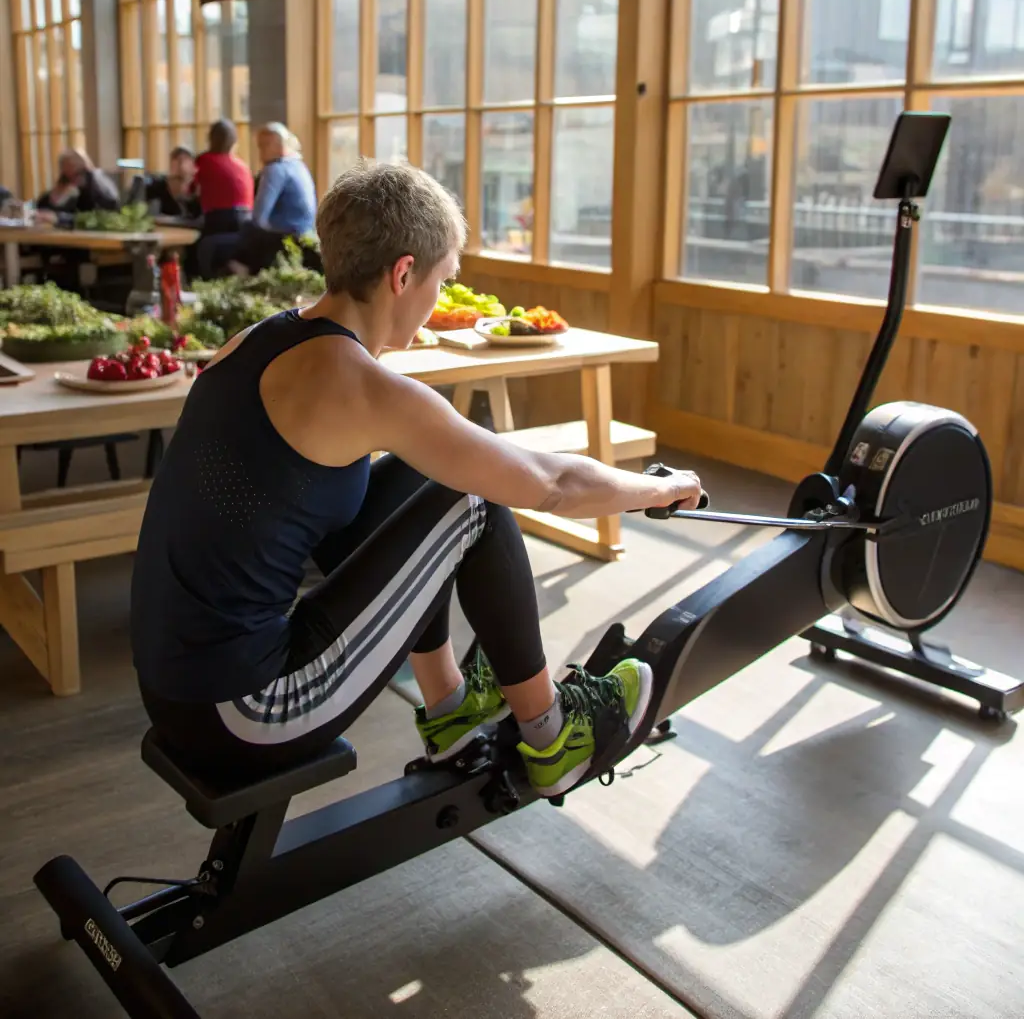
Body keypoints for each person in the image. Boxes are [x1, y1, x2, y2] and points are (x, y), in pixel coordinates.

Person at [130, 160, 702, 800]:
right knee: (475, 498)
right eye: (443, 280)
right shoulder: (359, 384)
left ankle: (451, 708)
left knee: (420, 479)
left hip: (183, 693)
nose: (436, 303)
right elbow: (550, 484)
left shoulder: (262, 341)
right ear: (403, 273)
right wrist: (658, 488)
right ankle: (553, 735)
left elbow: (333, 524)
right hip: (248, 715)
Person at [230, 123, 317, 275]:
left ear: (278, 145)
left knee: (246, 228)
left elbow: (259, 217)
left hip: (286, 238)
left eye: (264, 146)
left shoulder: (275, 169)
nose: (261, 152)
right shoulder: (298, 165)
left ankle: (241, 278)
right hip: (306, 236)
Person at [193, 120, 254, 279]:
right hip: (246, 220)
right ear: (234, 141)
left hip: (220, 220)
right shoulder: (242, 165)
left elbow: (191, 190)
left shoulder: (204, 160)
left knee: (195, 245)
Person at [36, 149, 120, 226]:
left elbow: (96, 218)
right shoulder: (73, 181)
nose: (70, 178)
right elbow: (45, 205)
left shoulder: (97, 184)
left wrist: (59, 218)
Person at [145, 146, 201, 220]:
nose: (181, 165)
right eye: (177, 161)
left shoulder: (199, 187)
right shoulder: (159, 186)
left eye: (185, 160)